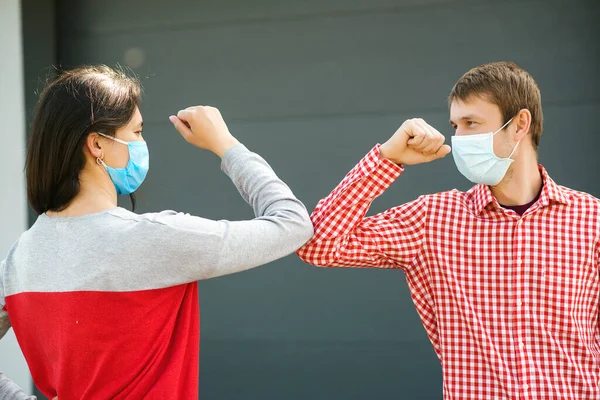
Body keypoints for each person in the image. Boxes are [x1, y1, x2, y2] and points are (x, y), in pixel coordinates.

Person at [0, 65, 313, 399]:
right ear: (97, 144)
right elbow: (292, 223)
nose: (142, 144)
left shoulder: (21, 257)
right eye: (136, 132)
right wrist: (226, 145)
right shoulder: (151, 239)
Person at [297, 62, 600, 399]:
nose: (459, 138)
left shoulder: (592, 219)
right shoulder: (434, 219)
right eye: (455, 125)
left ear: (520, 124)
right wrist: (386, 158)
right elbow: (319, 245)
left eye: (472, 123)